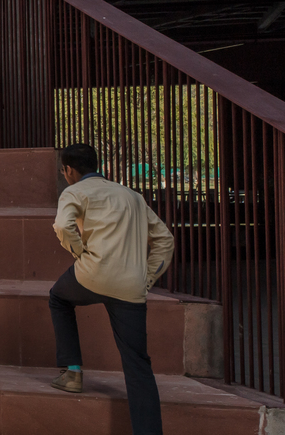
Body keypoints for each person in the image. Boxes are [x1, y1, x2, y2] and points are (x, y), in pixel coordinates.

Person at [48, 142, 175, 432]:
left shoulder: (74, 191)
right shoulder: (132, 196)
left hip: (90, 276)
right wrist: (147, 278)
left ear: (68, 170)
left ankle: (73, 372)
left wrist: (79, 252)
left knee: (58, 298)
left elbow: (62, 226)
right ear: (97, 165)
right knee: (138, 364)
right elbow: (165, 240)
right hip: (131, 286)